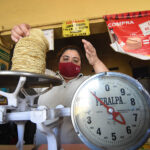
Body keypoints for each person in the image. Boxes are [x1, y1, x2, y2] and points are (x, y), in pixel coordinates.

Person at [11, 24, 109, 147]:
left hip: (76, 146)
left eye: (75, 60)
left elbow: (108, 83)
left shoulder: (86, 82)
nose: (70, 62)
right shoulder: (46, 77)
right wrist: (24, 37)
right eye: (66, 58)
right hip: (43, 146)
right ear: (58, 62)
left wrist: (95, 61)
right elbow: (23, 68)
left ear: (81, 65)